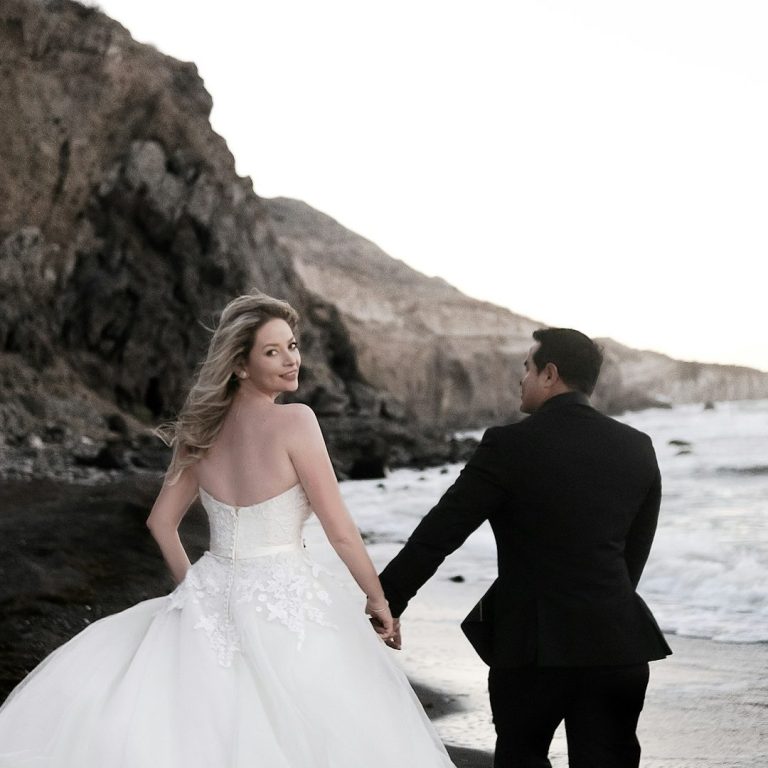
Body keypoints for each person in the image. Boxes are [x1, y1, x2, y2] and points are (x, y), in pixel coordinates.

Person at [0, 292, 455, 768]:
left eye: (292, 345)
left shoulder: (199, 431)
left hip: (211, 589)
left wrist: (192, 590)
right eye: (272, 351)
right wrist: (378, 601)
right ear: (240, 365)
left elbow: (161, 522)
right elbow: (340, 531)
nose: (291, 359)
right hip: (285, 595)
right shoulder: (297, 421)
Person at [379, 328, 671, 768]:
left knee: (521, 757)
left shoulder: (508, 445)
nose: (522, 379)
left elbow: (441, 532)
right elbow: (633, 558)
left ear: (550, 374)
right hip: (616, 645)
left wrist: (387, 599)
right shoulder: (638, 447)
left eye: (527, 368)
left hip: (533, 649)